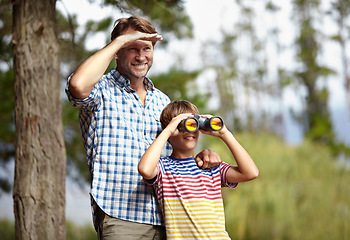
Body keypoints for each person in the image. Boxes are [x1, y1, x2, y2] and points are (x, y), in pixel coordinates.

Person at [65, 16, 221, 240]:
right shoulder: (100, 90)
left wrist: (201, 157)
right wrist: (119, 41)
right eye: (131, 47)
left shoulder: (162, 100)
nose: (140, 56)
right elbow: (77, 86)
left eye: (146, 48)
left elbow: (174, 153)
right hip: (121, 215)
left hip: (171, 218)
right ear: (116, 51)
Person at [138, 100, 259, 239]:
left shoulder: (210, 166)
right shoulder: (163, 168)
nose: (190, 130)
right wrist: (168, 130)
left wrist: (225, 134)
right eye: (183, 125)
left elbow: (251, 172)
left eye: (193, 124)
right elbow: (145, 169)